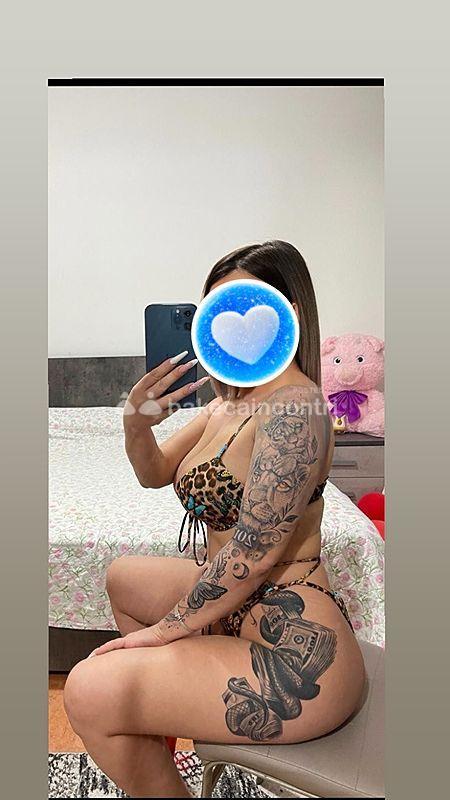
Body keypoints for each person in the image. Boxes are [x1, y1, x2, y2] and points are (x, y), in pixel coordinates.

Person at [64, 241, 365, 798]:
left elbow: (253, 554)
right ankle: (158, 731)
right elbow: (154, 472)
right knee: (122, 577)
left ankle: (145, 712)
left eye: (245, 309)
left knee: (86, 689)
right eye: (217, 312)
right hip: (235, 607)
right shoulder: (226, 405)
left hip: (291, 646)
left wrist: (163, 632)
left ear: (289, 314)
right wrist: (135, 422)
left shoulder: (295, 409)